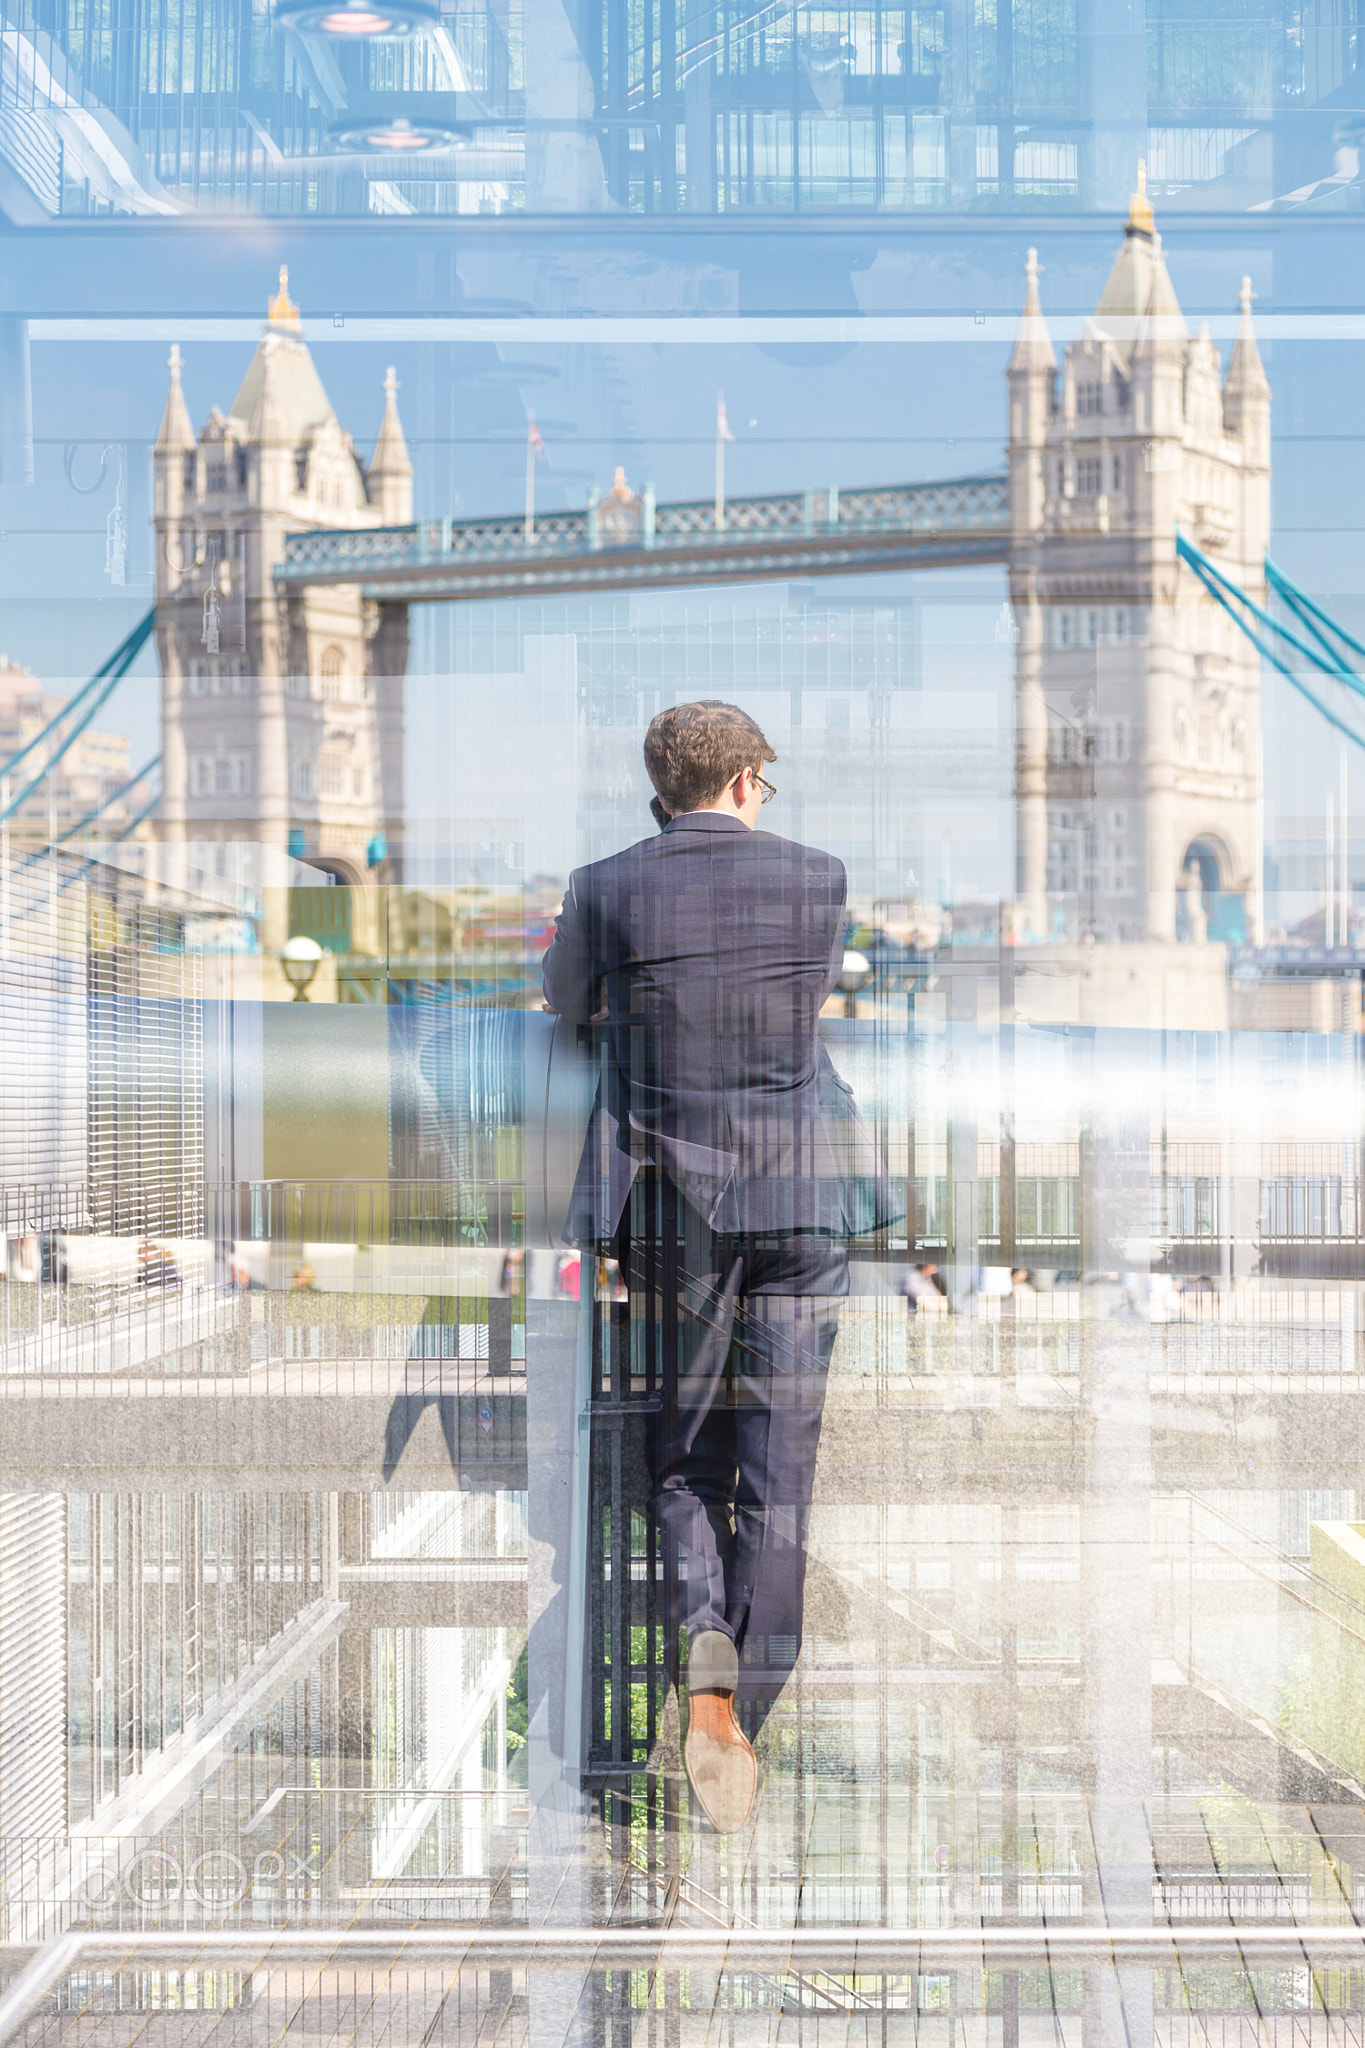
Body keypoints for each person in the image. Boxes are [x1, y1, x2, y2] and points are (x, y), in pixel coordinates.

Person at [542, 699, 896, 1833]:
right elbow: (796, 1011)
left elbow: (564, 1000)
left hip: (678, 1207)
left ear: (669, 787)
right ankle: (747, 1691)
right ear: (747, 779)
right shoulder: (820, 876)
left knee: (685, 1446)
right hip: (800, 1199)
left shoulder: (606, 883)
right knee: (780, 1466)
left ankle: (701, 1648)